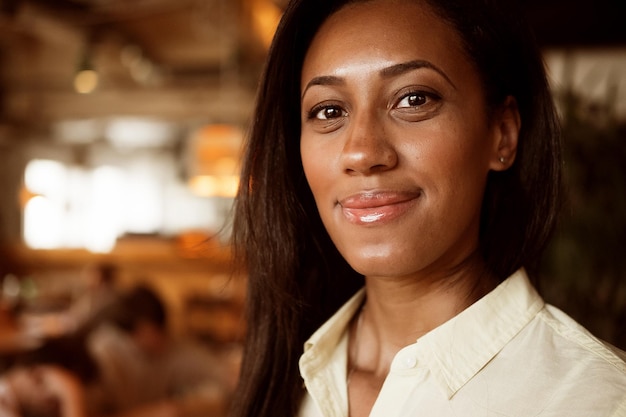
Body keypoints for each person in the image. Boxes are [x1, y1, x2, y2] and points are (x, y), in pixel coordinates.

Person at [229, 0, 626, 416]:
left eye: (414, 99)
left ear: (502, 134)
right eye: (329, 111)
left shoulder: (597, 399)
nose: (362, 152)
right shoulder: (287, 373)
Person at [87, 285, 232, 417]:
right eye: (155, 330)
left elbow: (207, 367)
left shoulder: (164, 349)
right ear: (139, 327)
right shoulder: (103, 352)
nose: (162, 337)